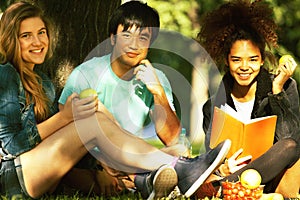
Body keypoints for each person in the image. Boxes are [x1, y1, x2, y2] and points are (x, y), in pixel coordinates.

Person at [0, 1, 231, 199]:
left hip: (45, 173)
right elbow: (12, 146)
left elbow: (172, 138)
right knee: (92, 121)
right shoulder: (6, 74)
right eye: (26, 36)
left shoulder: (43, 83)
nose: (38, 41)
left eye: (41, 33)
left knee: (102, 117)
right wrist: (65, 117)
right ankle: (179, 169)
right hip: (12, 175)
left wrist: (157, 93)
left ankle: (153, 177)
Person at [195, 0, 300, 198]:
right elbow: (210, 156)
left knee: (290, 145)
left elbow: (292, 140)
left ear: (262, 60)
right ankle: (227, 185)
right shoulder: (213, 106)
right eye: (236, 59)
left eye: (252, 59)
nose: (245, 67)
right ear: (227, 60)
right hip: (235, 176)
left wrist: (276, 92)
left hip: (276, 177)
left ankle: (220, 188)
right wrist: (223, 168)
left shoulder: (285, 86)